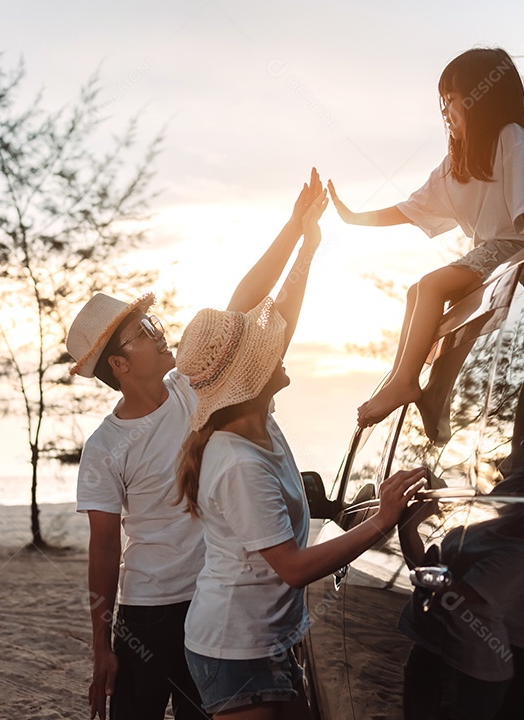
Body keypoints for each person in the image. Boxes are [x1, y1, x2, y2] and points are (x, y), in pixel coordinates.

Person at [67, 169, 326, 720]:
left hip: (209, 604)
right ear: (119, 364)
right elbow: (104, 552)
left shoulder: (192, 389)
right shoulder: (105, 447)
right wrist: (101, 644)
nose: (162, 333)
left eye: (153, 322)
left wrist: (295, 229)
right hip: (147, 613)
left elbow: (243, 302)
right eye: (145, 332)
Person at [174, 187, 426, 719]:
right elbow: (291, 567)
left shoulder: (258, 420)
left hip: (266, 639)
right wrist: (383, 520)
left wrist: (307, 243)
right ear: (252, 378)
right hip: (233, 648)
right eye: (266, 351)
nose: (279, 346)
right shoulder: (240, 462)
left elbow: (279, 310)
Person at [328, 47, 524, 429]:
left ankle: (405, 381)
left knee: (432, 285)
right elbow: (409, 208)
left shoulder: (510, 138)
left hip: (522, 250)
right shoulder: (457, 165)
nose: (444, 112)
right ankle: (409, 382)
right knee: (416, 294)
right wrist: (354, 217)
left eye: (451, 100)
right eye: (443, 102)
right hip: (496, 255)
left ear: (481, 100)